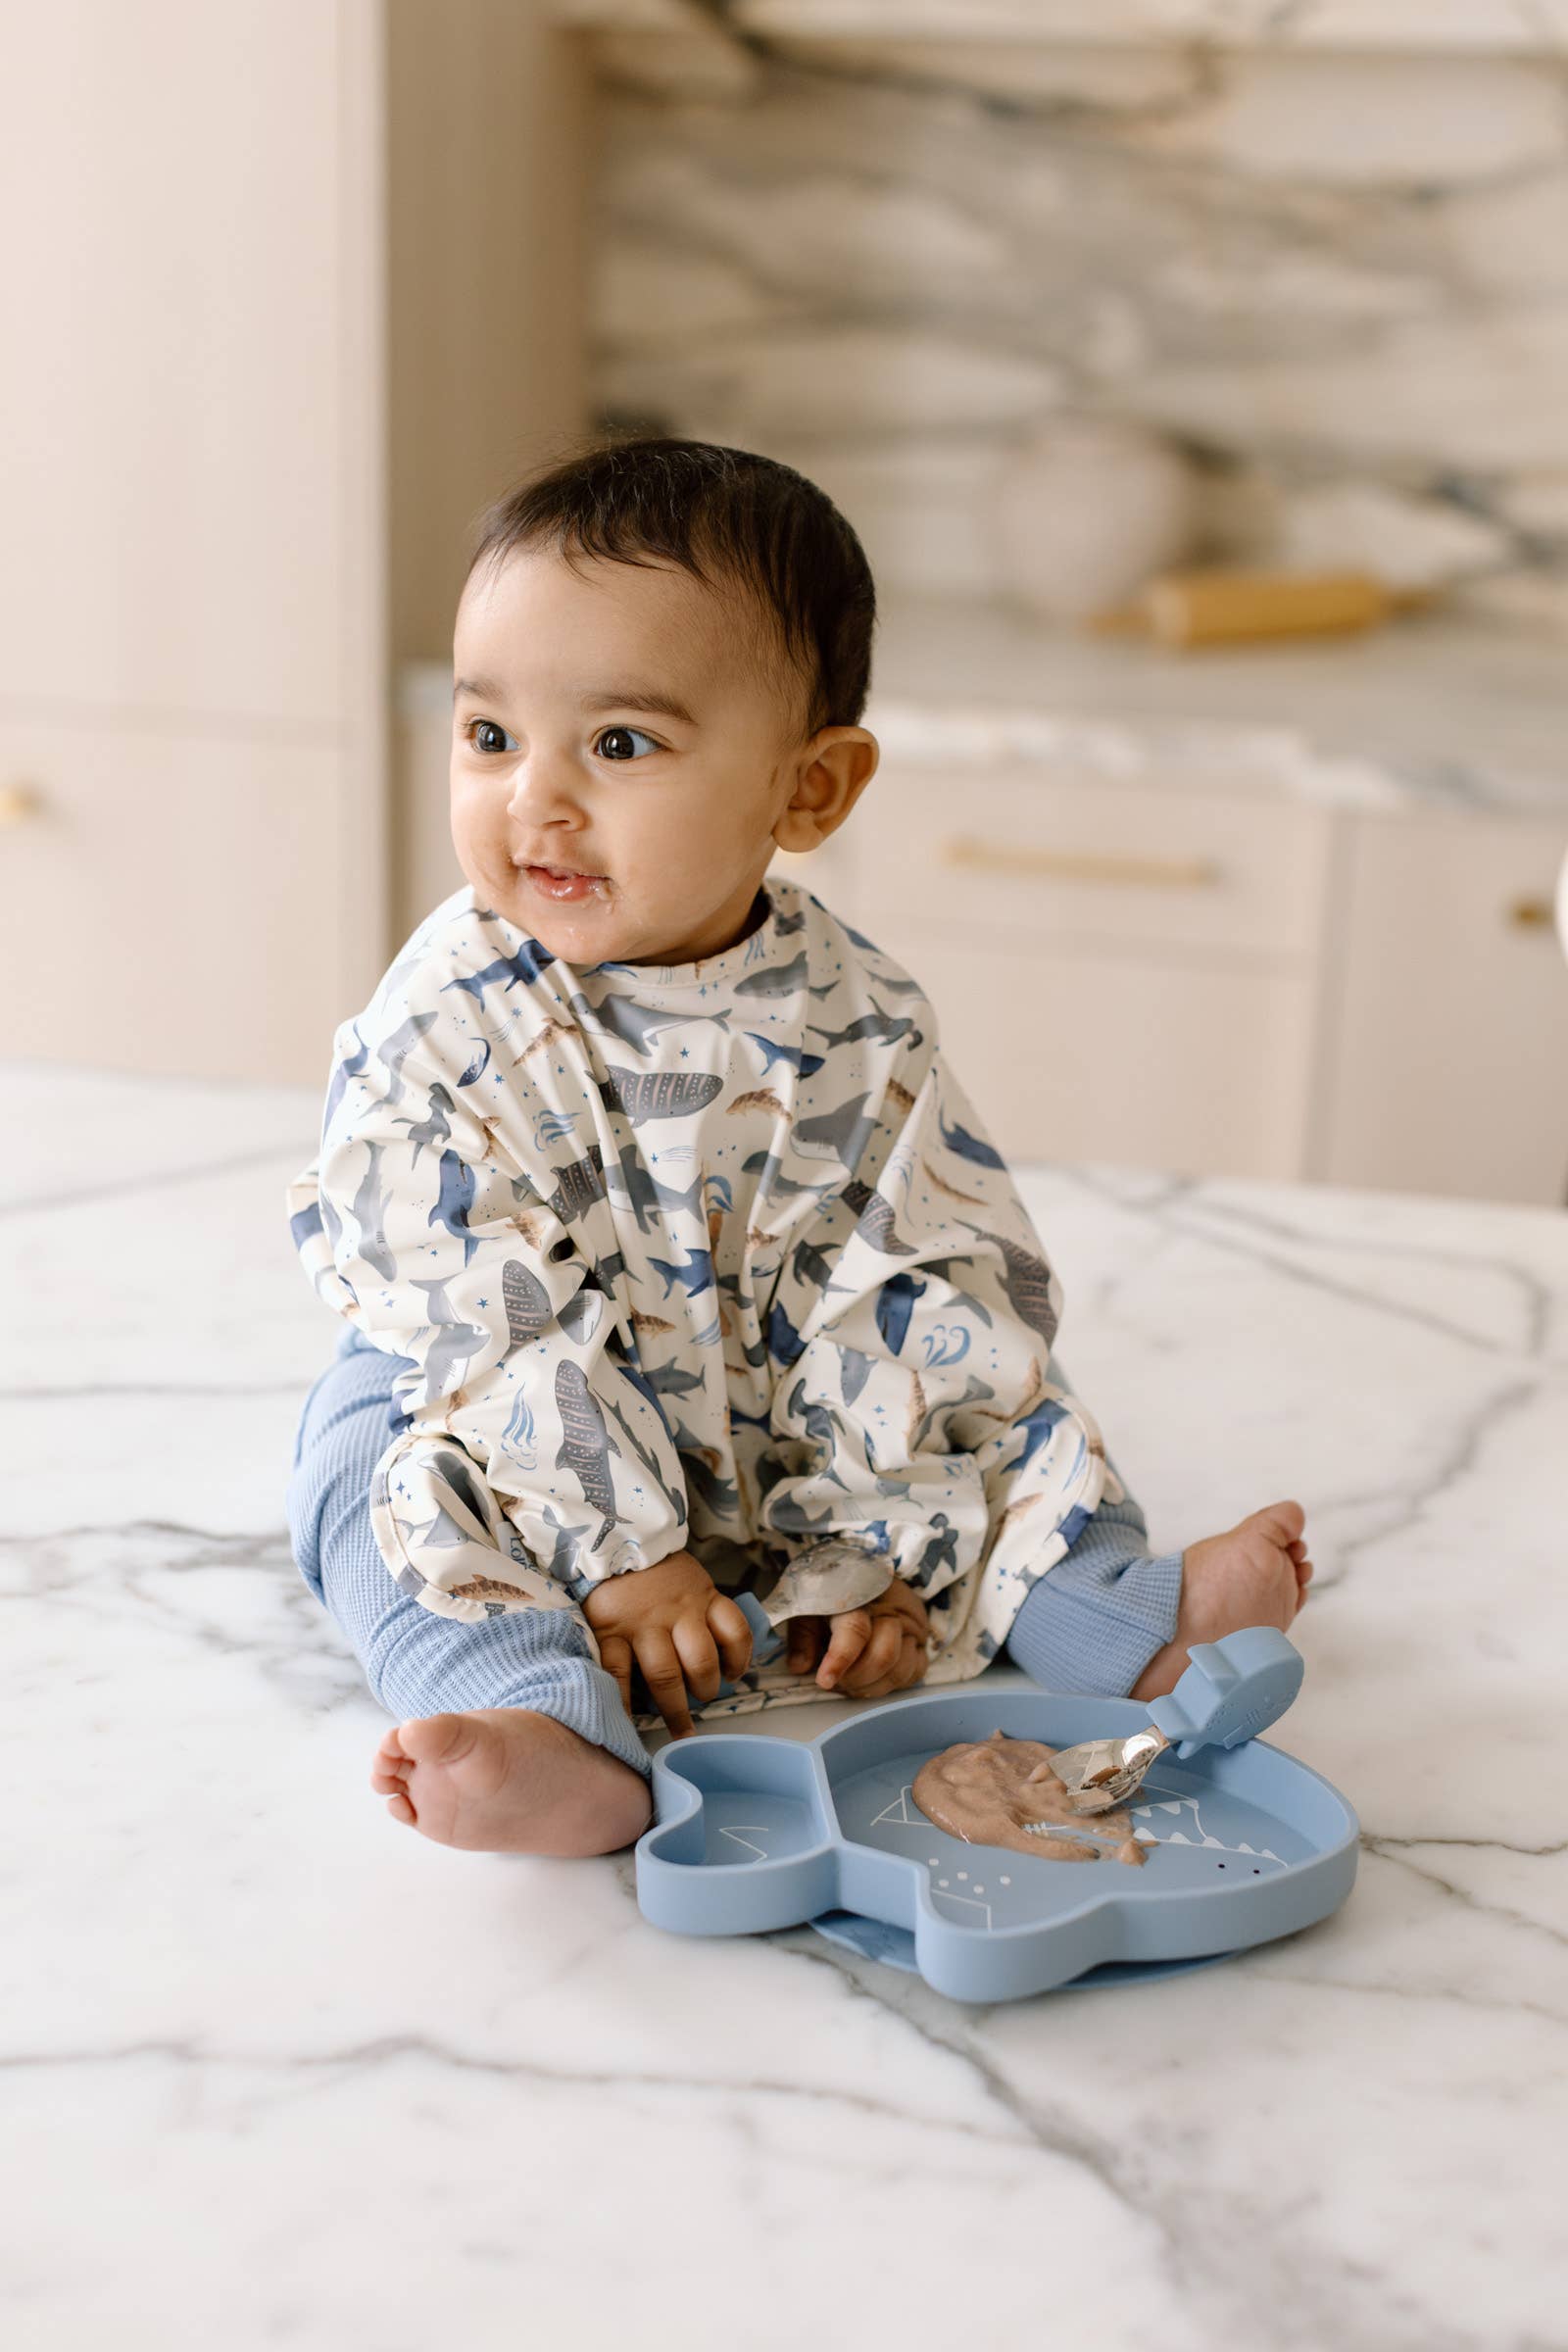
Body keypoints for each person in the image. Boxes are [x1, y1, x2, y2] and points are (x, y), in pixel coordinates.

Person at [284, 436, 1311, 1860]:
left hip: (772, 1395)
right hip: (514, 1399)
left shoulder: (861, 1017)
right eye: (490, 736)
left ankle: (1106, 1609)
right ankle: (532, 1713)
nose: (537, 799)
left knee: (1008, 1395)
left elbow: (907, 1273)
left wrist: (869, 1553)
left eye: (621, 743)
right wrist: (630, 1557)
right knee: (372, 1480)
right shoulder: (441, 1024)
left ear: (810, 791)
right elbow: (475, 1311)